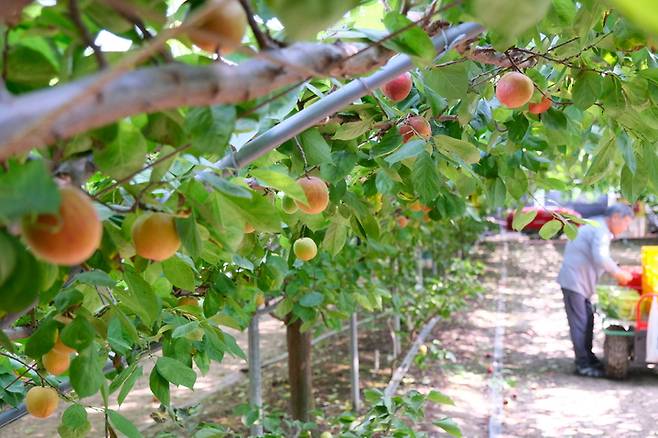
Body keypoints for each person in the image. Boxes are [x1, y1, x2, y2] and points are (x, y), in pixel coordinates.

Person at [557, 204, 634, 377]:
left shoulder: (597, 226)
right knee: (580, 323)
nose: (625, 228)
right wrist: (617, 273)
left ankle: (589, 358)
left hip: (580, 283)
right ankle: (583, 365)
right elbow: (600, 256)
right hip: (574, 282)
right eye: (626, 223)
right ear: (615, 217)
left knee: (588, 320)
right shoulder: (601, 230)